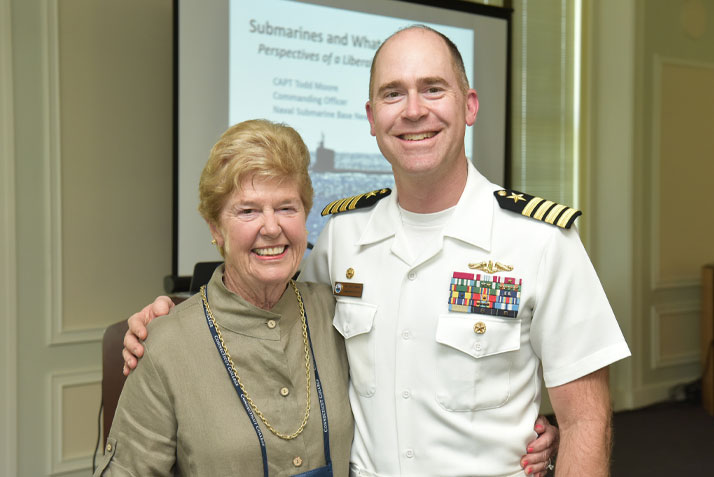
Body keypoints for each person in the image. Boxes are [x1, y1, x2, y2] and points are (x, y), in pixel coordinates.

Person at [121, 25, 620, 476]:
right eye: (392, 93)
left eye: (433, 88)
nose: (413, 110)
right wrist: (168, 318)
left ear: (469, 105)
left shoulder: (541, 241)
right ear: (372, 117)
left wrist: (549, 432)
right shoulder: (343, 236)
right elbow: (266, 307)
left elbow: (586, 424)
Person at [95, 120, 354, 476]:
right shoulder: (168, 345)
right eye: (248, 211)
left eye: (286, 207)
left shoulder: (337, 316)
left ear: (305, 215)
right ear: (215, 228)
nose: (271, 227)